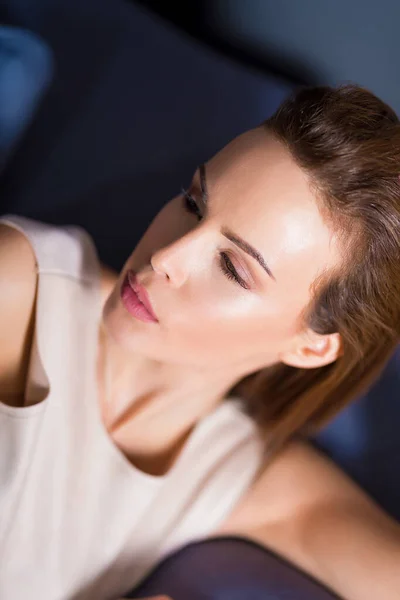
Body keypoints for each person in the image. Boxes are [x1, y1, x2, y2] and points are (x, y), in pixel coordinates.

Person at [1, 84, 400, 600]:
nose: (167, 257)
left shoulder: (234, 473)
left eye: (233, 267)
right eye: (194, 202)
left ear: (310, 347)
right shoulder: (18, 287)